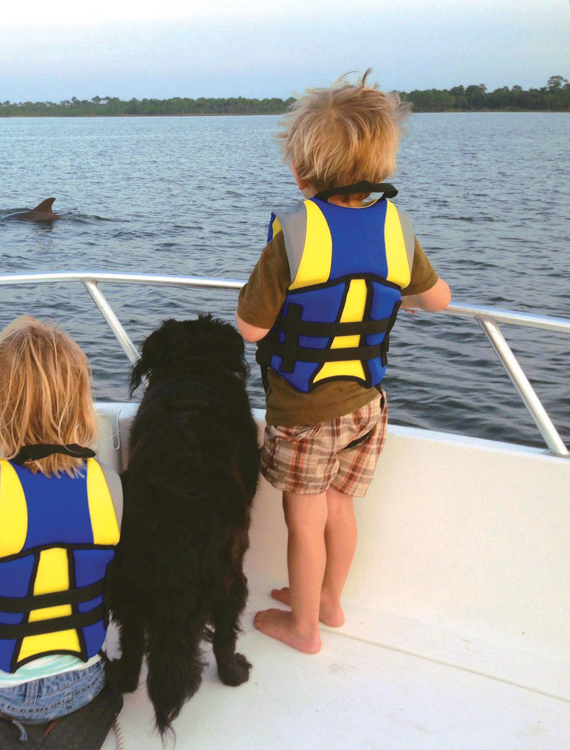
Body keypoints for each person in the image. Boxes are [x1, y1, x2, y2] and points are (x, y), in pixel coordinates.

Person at [236, 70, 451, 654]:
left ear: (299, 171)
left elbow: (251, 326)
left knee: (303, 519)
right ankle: (329, 603)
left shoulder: (293, 239)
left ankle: (302, 629)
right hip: (367, 404)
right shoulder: (397, 230)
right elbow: (438, 300)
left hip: (304, 410)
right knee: (340, 508)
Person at [0, 317, 122, 749]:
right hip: (84, 684)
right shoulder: (108, 488)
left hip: (2, 691)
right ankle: (61, 726)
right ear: (79, 405)